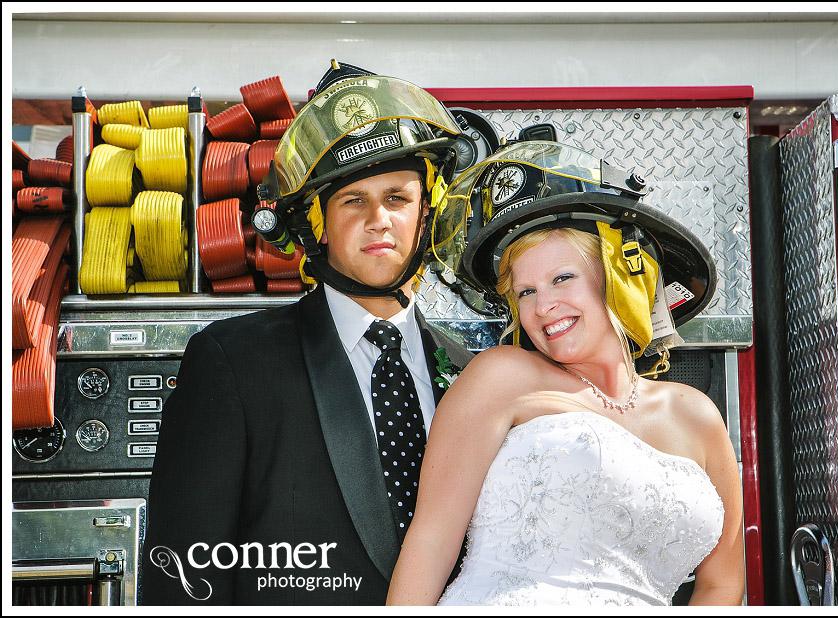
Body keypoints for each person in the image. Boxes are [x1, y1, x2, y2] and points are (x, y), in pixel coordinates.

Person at [141, 61, 472, 605]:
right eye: (353, 200)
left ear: (427, 214)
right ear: (315, 221)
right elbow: (183, 575)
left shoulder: (471, 375)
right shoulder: (232, 362)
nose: (379, 220)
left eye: (397, 198)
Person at [386, 141, 745, 605]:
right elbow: (431, 542)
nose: (542, 306)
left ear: (615, 279)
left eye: (562, 278)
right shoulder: (502, 376)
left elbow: (723, 583)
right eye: (525, 292)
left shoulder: (696, 415)